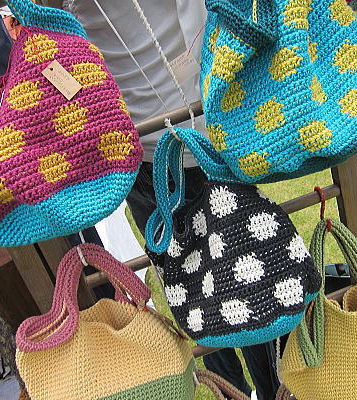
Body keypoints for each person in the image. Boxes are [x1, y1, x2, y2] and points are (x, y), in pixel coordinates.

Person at [63, 1, 280, 399]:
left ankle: (247, 389)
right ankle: (249, 389)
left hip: (159, 136)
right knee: (223, 285)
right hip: (169, 135)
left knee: (216, 285)